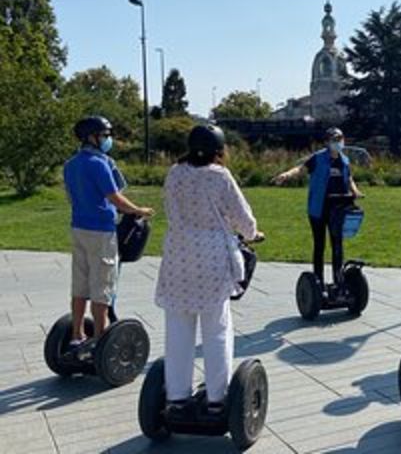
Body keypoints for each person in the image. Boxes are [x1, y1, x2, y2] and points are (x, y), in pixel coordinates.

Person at [155, 124, 261, 417]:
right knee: (216, 330)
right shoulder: (219, 176)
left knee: (177, 329)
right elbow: (243, 217)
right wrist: (251, 233)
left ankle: (176, 395)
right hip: (212, 259)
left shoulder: (175, 173)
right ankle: (217, 396)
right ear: (219, 149)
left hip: (178, 257)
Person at [63, 116, 155, 356]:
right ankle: (102, 341)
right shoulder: (98, 163)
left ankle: (76, 335)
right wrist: (139, 210)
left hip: (78, 228)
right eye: (104, 135)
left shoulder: (71, 164)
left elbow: (71, 197)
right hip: (101, 231)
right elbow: (115, 197)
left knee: (80, 284)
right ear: (92, 137)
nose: (107, 140)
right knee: (102, 287)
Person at [273, 127, 363, 287]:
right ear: (327, 142)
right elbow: (301, 168)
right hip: (319, 208)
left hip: (339, 207)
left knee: (337, 244)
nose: (338, 143)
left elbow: (349, 178)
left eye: (340, 139)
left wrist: (355, 191)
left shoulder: (344, 160)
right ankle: (318, 281)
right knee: (319, 244)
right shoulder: (318, 158)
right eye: (334, 140)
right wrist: (287, 175)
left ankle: (339, 280)